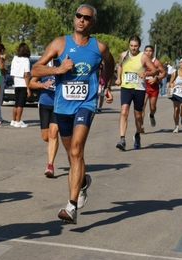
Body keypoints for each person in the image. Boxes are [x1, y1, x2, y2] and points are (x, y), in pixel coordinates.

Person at [31, 4, 114, 224]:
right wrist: (58, 69)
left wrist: (107, 86)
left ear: (92, 22)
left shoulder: (99, 47)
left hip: (85, 105)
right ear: (74, 18)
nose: (82, 20)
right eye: (79, 16)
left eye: (87, 18)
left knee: (77, 150)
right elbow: (35, 69)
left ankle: (71, 206)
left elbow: (110, 63)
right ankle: (83, 181)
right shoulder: (60, 43)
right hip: (62, 107)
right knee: (71, 154)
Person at [114, 36, 157, 151]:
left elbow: (154, 70)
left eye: (136, 46)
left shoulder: (143, 57)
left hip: (139, 89)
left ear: (139, 46)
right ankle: (122, 139)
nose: (133, 48)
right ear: (129, 45)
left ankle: (137, 135)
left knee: (138, 115)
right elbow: (120, 66)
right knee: (124, 112)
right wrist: (118, 78)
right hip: (126, 87)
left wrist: (146, 74)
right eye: (131, 46)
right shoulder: (124, 55)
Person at [29, 59, 59, 178]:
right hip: (45, 103)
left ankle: (50, 165)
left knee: (53, 133)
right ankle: (53, 143)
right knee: (46, 137)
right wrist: (42, 84)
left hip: (59, 105)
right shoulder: (44, 68)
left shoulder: (65, 66)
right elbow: (31, 83)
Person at [141, 45, 166, 132]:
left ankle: (151, 115)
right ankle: (141, 125)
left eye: (150, 51)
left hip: (154, 86)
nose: (148, 52)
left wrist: (156, 78)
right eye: (146, 50)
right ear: (144, 51)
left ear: (153, 52)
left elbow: (164, 73)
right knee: (142, 106)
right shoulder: (141, 60)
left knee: (152, 106)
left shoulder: (156, 62)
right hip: (144, 85)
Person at [10, 43, 32, 128]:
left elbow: (12, 73)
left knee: (16, 103)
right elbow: (26, 74)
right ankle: (18, 121)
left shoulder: (14, 59)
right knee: (21, 104)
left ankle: (13, 120)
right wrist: (28, 88)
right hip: (23, 83)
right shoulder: (26, 60)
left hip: (16, 82)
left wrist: (15, 81)